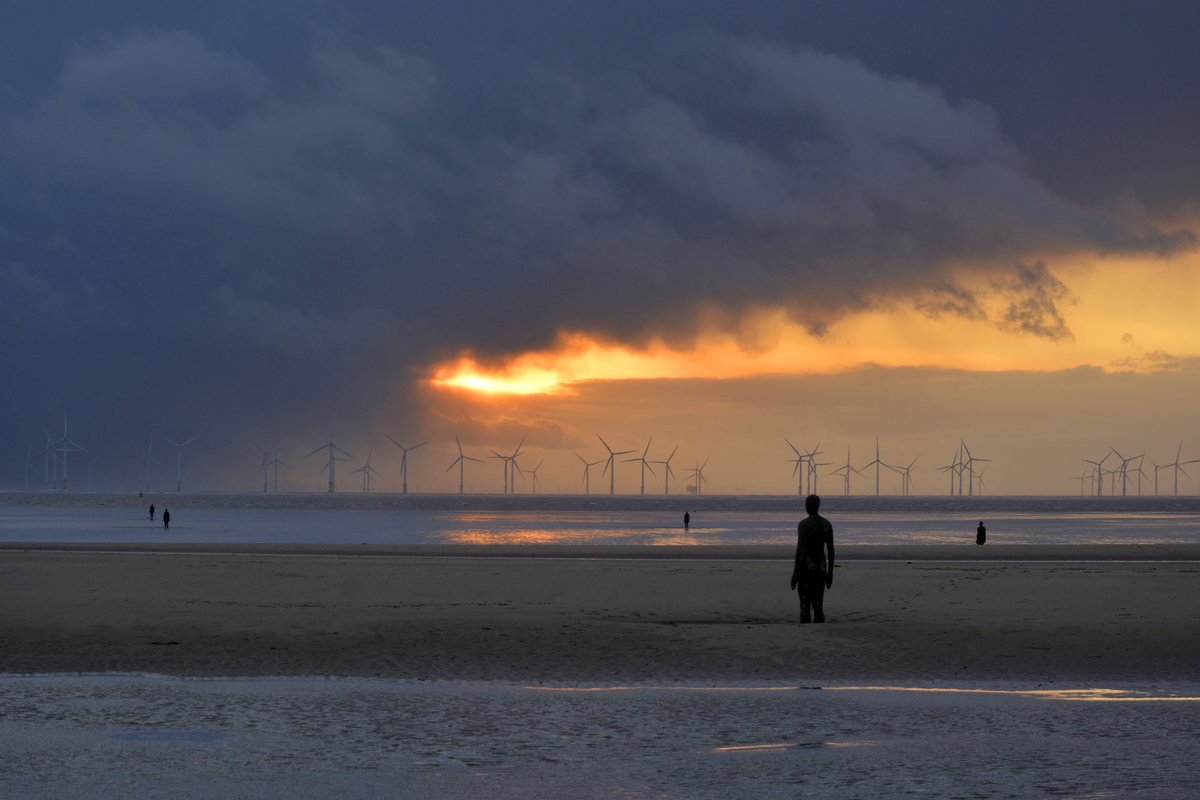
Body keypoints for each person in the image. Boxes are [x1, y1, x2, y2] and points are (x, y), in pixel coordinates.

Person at [790, 494, 834, 623]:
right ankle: (819, 627)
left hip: (806, 567)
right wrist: (830, 572)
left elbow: (800, 550)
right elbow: (831, 550)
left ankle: (806, 627)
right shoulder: (826, 524)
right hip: (821, 566)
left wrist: (795, 572)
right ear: (818, 506)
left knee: (805, 604)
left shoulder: (803, 525)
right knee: (818, 604)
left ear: (807, 507)